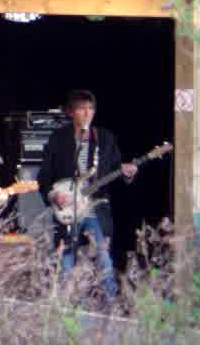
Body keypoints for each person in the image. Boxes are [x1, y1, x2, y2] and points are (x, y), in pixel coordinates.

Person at [37, 90, 138, 298]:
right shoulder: (58, 139)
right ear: (71, 112)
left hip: (95, 207)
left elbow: (117, 168)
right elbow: (44, 175)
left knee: (103, 257)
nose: (87, 113)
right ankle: (67, 306)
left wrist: (127, 172)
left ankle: (111, 305)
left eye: (91, 108)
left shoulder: (105, 138)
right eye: (82, 108)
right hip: (68, 207)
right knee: (66, 260)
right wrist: (54, 195)